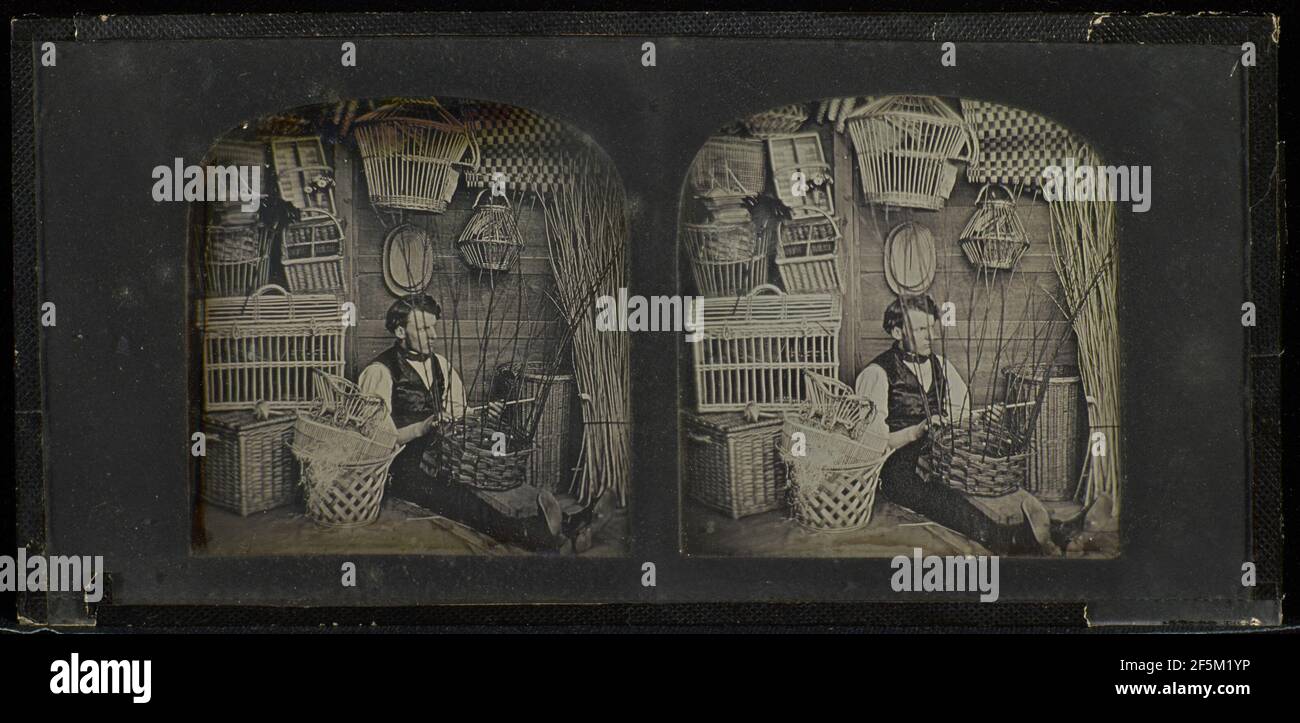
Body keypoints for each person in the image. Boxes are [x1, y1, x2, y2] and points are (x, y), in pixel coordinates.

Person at [357, 295, 564, 548]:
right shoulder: (379, 372)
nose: (433, 335)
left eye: (433, 327)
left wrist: (484, 417)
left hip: (446, 454)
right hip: (403, 469)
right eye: (423, 328)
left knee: (489, 482)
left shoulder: (440, 365)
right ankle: (538, 536)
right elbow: (373, 439)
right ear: (400, 331)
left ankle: (573, 523)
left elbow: (459, 413)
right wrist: (421, 427)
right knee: (463, 502)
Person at [854, 294, 971, 496]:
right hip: (898, 468)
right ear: (898, 332)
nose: (932, 336)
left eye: (932, 327)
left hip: (941, 458)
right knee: (950, 501)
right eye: (921, 330)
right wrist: (915, 432)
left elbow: (963, 413)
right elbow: (870, 443)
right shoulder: (876, 374)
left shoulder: (943, 366)